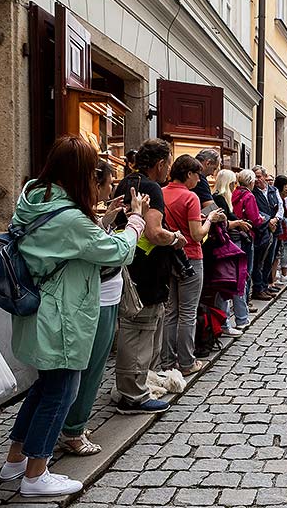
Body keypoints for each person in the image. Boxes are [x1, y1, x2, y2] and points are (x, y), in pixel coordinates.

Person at [0, 136, 146, 496]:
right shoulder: (70, 218)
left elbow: (75, 240)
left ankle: (15, 460)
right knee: (61, 391)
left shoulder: (35, 198)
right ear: (78, 173)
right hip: (62, 315)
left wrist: (101, 219)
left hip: (39, 309)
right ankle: (36, 473)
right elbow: (115, 252)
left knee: (43, 387)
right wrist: (135, 224)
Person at [57, 161, 131, 456]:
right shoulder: (76, 217)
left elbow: (93, 241)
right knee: (89, 367)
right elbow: (110, 251)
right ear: (94, 183)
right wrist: (134, 224)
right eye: (109, 183)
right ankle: (72, 431)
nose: (112, 188)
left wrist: (108, 220)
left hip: (97, 296)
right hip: (94, 297)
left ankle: (72, 425)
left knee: (84, 367)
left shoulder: (80, 215)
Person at [113, 139, 179, 416]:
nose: (168, 170)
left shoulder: (125, 182)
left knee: (132, 328)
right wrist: (175, 237)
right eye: (168, 164)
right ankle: (133, 395)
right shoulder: (151, 187)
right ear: (160, 164)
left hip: (129, 266)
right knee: (139, 331)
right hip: (146, 270)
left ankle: (134, 386)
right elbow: (153, 232)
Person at [162, 155, 224, 376]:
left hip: (168, 257)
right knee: (187, 313)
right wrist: (209, 219)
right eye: (197, 175)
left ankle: (167, 361)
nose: (200, 180)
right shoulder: (190, 197)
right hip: (190, 257)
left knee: (170, 312)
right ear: (188, 174)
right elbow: (197, 235)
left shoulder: (162, 192)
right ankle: (187, 362)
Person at [211, 169, 252, 335]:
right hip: (224, 246)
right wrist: (238, 223)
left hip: (228, 243)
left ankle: (235, 320)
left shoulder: (223, 198)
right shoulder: (219, 198)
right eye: (233, 183)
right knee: (228, 282)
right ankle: (225, 323)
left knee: (233, 281)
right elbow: (222, 223)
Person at [232, 169, 263, 320]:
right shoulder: (249, 195)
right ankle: (244, 304)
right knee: (245, 271)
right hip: (245, 235)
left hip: (234, 234)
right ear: (251, 182)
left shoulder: (235, 192)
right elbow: (254, 218)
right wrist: (261, 219)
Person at [251, 166, 280, 299]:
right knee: (259, 260)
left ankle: (264, 285)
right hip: (261, 229)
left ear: (264, 176)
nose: (256, 180)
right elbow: (255, 210)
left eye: (258, 176)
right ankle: (258, 288)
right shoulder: (252, 192)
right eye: (254, 177)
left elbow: (280, 206)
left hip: (274, 228)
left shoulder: (273, 190)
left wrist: (276, 219)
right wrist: (268, 221)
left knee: (270, 259)